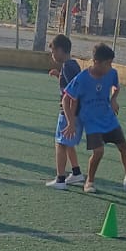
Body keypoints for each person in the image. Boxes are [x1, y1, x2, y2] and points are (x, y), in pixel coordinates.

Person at [60, 42, 126, 194]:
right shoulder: (82, 78)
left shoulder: (112, 73)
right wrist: (70, 122)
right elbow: (66, 99)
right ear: (96, 62)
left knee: (123, 147)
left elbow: (116, 87)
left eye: (111, 63)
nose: (110, 67)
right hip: (92, 122)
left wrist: (113, 99)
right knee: (99, 152)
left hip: (109, 118)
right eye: (107, 64)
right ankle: (89, 181)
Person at [45, 33, 85, 189]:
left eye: (53, 51)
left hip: (68, 112)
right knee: (68, 143)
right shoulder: (72, 65)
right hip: (74, 113)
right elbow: (71, 87)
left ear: (60, 50)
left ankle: (60, 179)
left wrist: (70, 119)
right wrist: (59, 76)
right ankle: (76, 173)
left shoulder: (68, 67)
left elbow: (74, 95)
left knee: (60, 144)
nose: (52, 55)